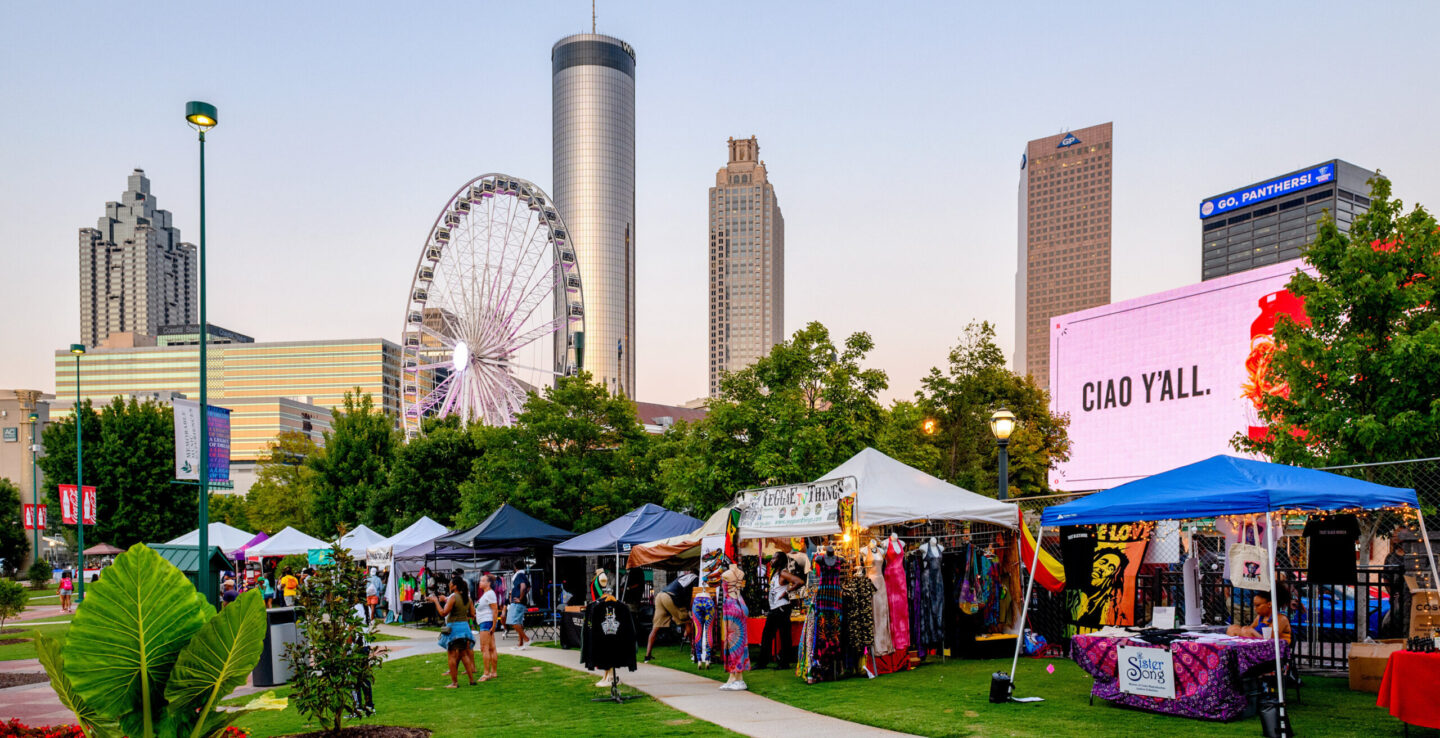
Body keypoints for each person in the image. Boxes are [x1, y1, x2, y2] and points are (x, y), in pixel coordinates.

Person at [756, 553, 804, 669]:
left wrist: (787, 592)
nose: (771, 560)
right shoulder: (776, 573)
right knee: (769, 635)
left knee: (781, 636)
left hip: (781, 608)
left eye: (774, 558)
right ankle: (765, 662)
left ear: (780, 560)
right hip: (775, 608)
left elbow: (799, 582)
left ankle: (782, 663)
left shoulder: (783, 573)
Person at [430, 574, 477, 687]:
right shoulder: (467, 598)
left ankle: (454, 683)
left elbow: (443, 613)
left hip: (454, 629)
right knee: (463, 654)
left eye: (450, 583)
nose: (449, 585)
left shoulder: (453, 597)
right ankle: (471, 680)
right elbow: (472, 614)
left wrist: (435, 601)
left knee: (451, 655)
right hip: (465, 628)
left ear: (455, 586)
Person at [645, 570, 698, 662]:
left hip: (660, 596)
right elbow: (693, 597)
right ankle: (694, 653)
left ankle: (647, 656)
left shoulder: (683, 577)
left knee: (655, 628)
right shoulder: (696, 578)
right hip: (670, 597)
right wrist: (690, 611)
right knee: (688, 622)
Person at [1227, 588, 1293, 644]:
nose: (1255, 608)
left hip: (1274, 649)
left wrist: (1251, 631)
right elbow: (1247, 630)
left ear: (1269, 604)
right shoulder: (1260, 617)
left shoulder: (1281, 619)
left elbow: (1270, 640)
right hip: (1258, 646)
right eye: (1254, 605)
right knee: (1233, 628)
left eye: (1258, 605)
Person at [476, 574, 500, 681]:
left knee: (484, 648)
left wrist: (494, 625)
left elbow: (495, 610)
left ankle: (486, 673)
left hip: (486, 622)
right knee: (491, 648)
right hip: (485, 622)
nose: (480, 582)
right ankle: (493, 672)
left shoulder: (490, 594)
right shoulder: (486, 594)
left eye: (482, 581)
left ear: (488, 583)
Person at [506, 565, 531, 650]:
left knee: (513, 621)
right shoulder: (524, 575)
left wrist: (520, 598)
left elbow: (523, 587)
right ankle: (520, 644)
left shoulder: (519, 575)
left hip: (517, 602)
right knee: (518, 623)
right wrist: (523, 597)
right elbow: (528, 587)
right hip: (521, 602)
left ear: (515, 567)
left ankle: (527, 639)